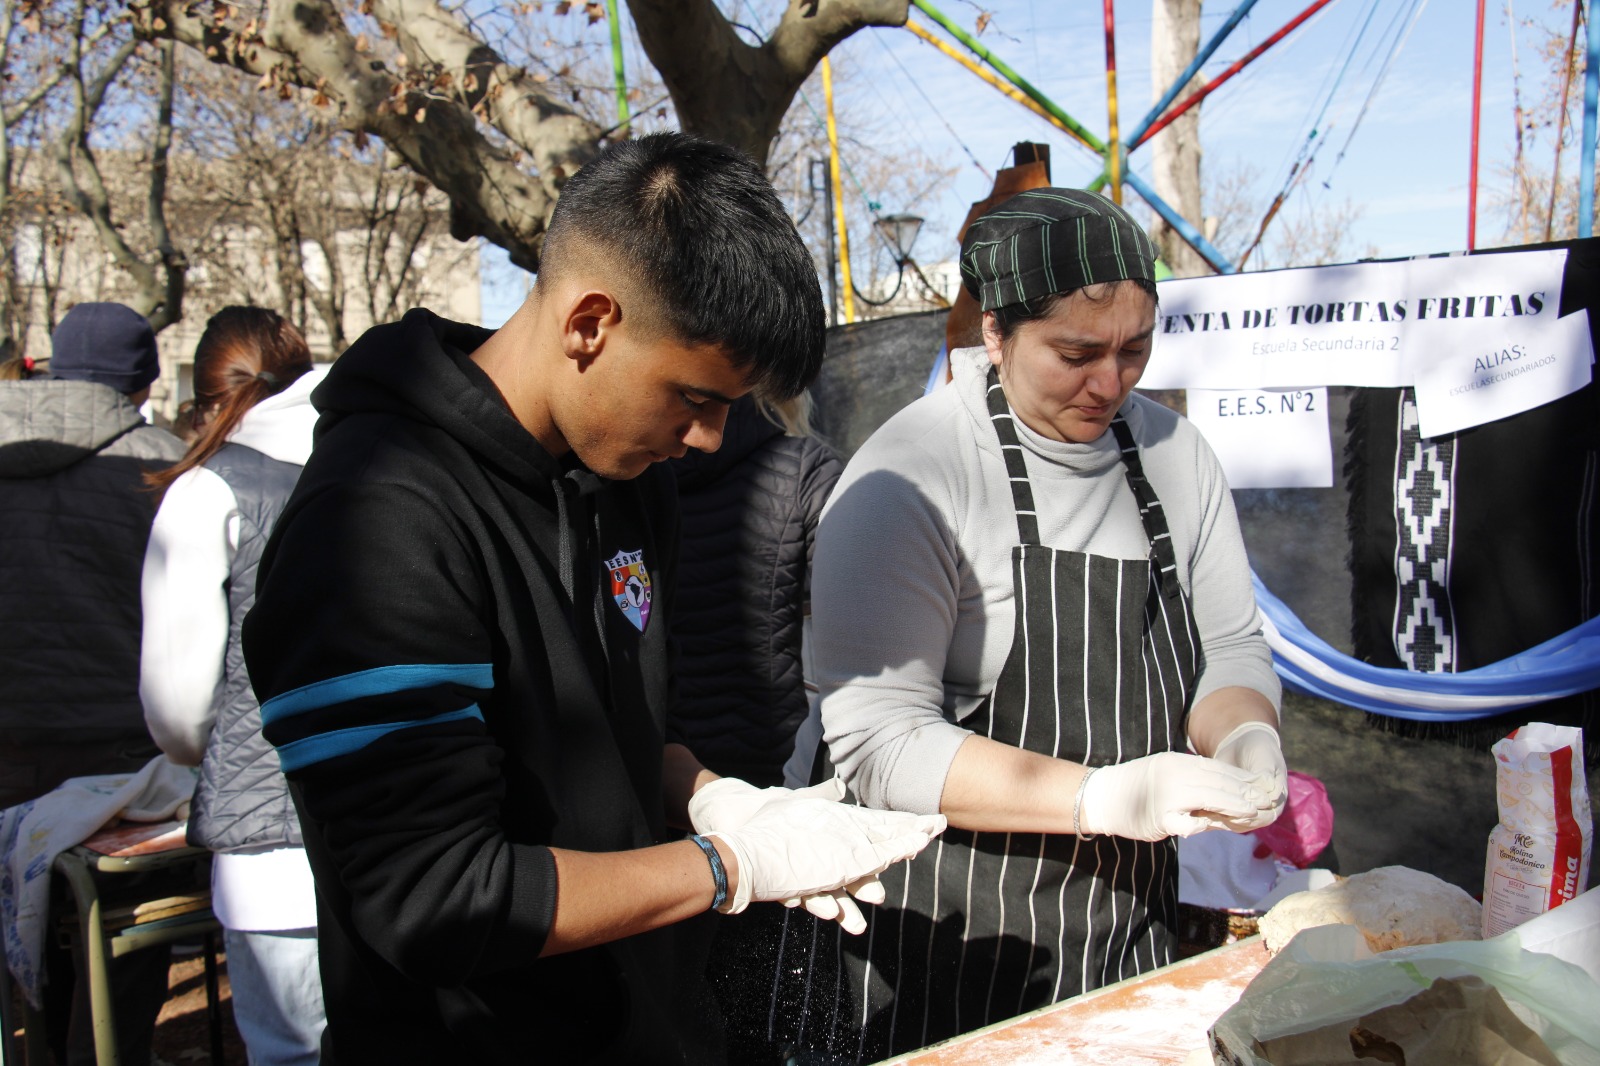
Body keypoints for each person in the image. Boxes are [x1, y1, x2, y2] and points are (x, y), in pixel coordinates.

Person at [240, 131, 946, 1065]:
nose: (708, 438)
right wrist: (728, 867)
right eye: (694, 397)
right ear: (589, 323)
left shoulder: (627, 477)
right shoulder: (374, 523)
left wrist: (718, 800)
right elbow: (435, 899)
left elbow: (619, 737)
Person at [775, 189, 1288, 1061]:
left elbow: (1229, 646)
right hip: (942, 941)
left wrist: (1245, 733)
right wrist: (1107, 798)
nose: (1111, 383)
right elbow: (879, 743)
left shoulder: (1177, 458)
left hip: (1126, 923)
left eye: (1135, 349)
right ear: (996, 333)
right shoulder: (910, 476)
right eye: (1076, 354)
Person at [140, 307, 327, 1065]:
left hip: (273, 852)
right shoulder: (385, 460)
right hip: (406, 826)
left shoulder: (206, 492)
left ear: (206, 398)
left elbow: (179, 713)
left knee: (292, 1052)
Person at [0, 302, 186, 1065]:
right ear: (143, 377)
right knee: (123, 938)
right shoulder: (167, 465)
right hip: (122, 755)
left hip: (10, 743)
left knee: (21, 929)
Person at [668, 392, 842, 787]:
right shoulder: (806, 469)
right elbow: (865, 624)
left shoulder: (622, 469)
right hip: (772, 761)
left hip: (650, 767)